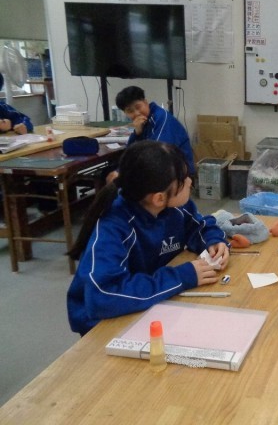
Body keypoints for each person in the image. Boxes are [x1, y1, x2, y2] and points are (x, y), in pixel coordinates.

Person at [67, 140, 229, 336]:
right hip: (107, 322)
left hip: (151, 300)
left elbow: (198, 226)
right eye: (184, 179)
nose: (189, 182)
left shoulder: (175, 206)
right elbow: (104, 296)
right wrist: (180, 276)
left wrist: (213, 240)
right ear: (159, 198)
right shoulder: (114, 228)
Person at [115, 85, 195, 175]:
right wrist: (137, 133)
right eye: (130, 111)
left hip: (179, 173)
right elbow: (130, 153)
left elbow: (157, 155)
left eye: (138, 107)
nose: (136, 113)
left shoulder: (161, 118)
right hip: (160, 168)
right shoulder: (143, 122)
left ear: (145, 102)